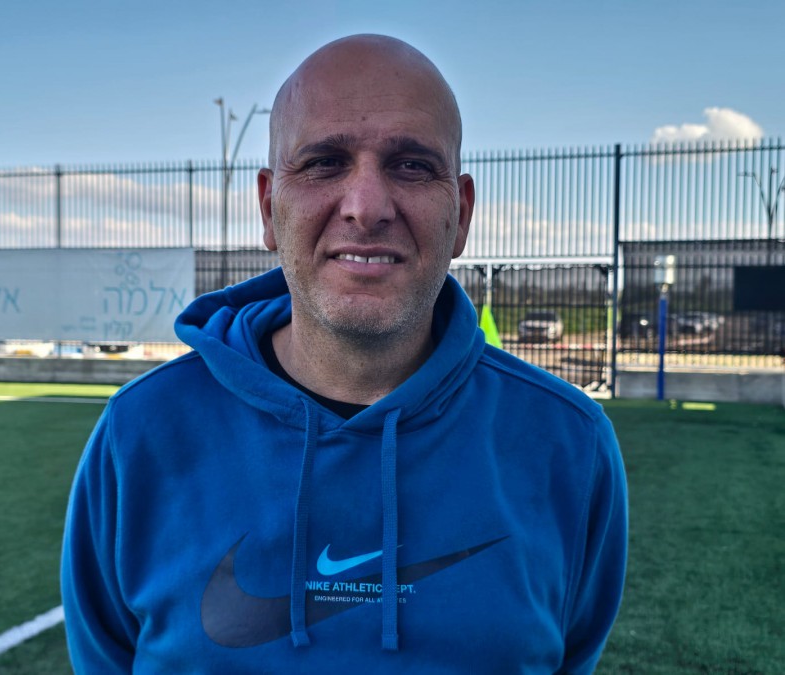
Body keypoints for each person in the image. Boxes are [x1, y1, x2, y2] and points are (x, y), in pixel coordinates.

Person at [61, 34, 627, 673]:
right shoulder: (140, 432)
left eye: (411, 165)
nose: (367, 208)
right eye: (324, 163)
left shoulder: (568, 444)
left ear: (462, 214)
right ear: (269, 208)